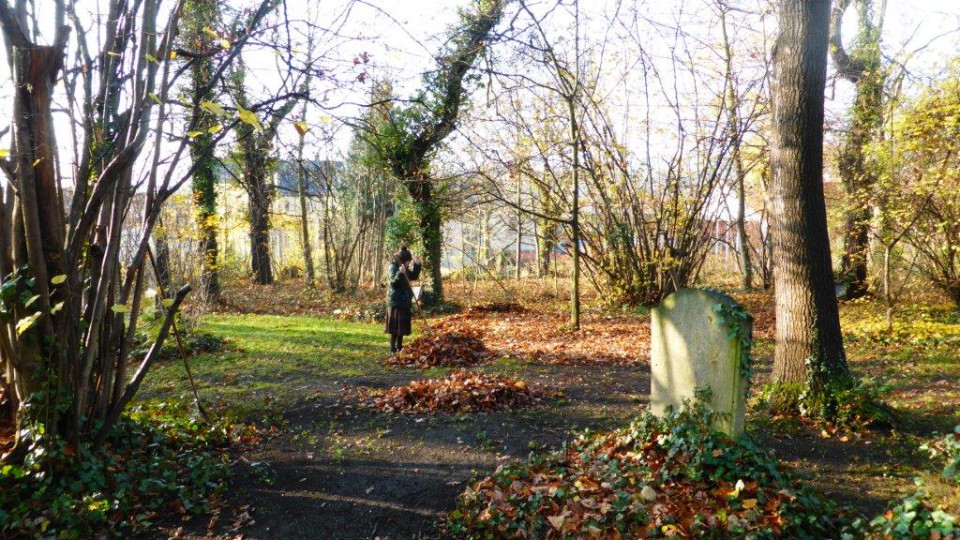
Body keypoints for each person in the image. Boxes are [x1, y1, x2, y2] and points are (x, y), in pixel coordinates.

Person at [385, 246, 422, 354]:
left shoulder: (405, 267)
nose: (409, 264)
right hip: (395, 300)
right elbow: (393, 282)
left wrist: (417, 264)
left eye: (410, 263)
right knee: (394, 328)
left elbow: (413, 276)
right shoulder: (393, 267)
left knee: (402, 327)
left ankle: (399, 347)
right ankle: (392, 348)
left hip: (405, 300)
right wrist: (399, 273)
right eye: (408, 262)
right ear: (404, 261)